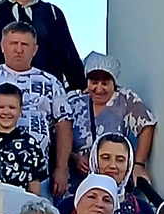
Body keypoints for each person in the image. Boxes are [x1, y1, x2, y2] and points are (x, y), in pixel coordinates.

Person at [0, 23, 70, 192]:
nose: (19, 49)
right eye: (13, 43)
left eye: (25, 44)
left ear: (35, 49)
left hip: (37, 170)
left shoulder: (51, 82)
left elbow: (63, 125)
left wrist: (61, 168)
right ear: (2, 46)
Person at [63, 54, 158, 189]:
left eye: (105, 83)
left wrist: (139, 164)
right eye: (94, 83)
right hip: (78, 180)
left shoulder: (125, 100)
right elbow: (59, 136)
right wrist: (74, 157)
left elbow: (147, 125)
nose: (99, 89)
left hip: (113, 176)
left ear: (114, 83)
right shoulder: (74, 102)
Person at [66, 134, 155, 214]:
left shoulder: (143, 210)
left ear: (129, 165)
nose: (113, 165)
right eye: (105, 158)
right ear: (94, 160)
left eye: (120, 160)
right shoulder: (69, 206)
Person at [0, 84, 51, 195]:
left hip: (19, 202)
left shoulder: (30, 144)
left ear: (20, 110)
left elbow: (34, 186)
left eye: (12, 107)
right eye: (0, 107)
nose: (6, 112)